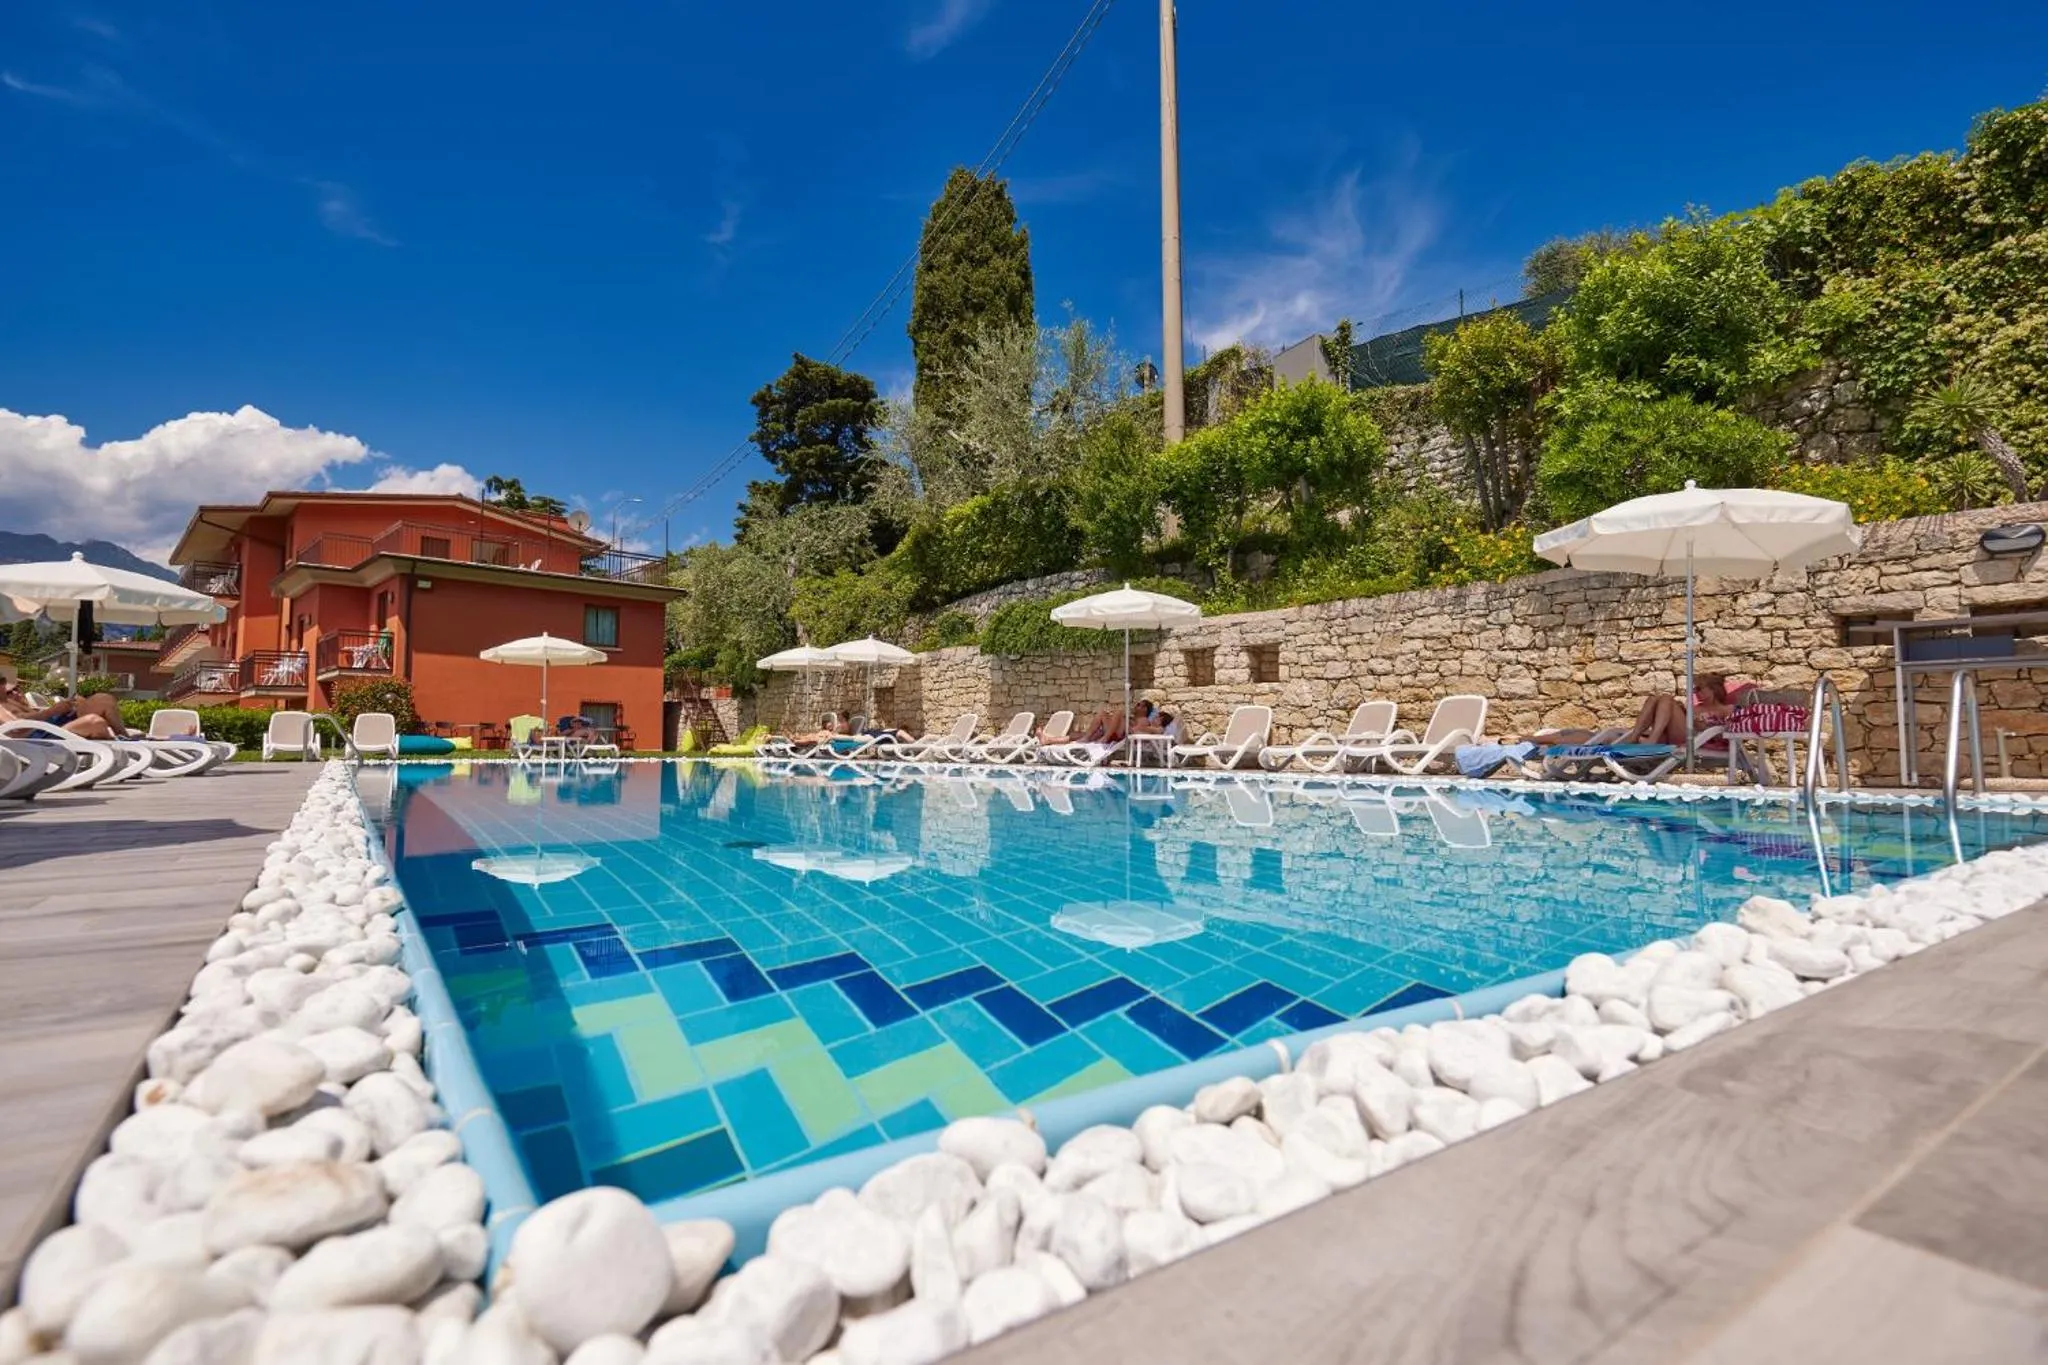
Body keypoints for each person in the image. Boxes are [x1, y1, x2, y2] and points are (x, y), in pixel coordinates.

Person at [1625, 673, 1745, 746]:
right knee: (1653, 699)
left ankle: (1651, 740)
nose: (1695, 692)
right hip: (1678, 735)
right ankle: (1634, 737)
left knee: (1666, 698)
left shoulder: (1729, 709)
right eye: (1694, 689)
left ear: (1713, 689)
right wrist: (1683, 712)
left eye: (1699, 688)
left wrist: (1702, 725)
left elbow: (1731, 732)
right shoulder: (1695, 708)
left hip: (1696, 741)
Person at [0, 686, 123, 741]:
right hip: (38, 737)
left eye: (16, 688)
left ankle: (124, 738)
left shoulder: (8, 702)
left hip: (49, 727)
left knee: (103, 699)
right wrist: (51, 711)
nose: (4, 687)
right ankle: (114, 748)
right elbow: (16, 727)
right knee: (94, 722)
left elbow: (34, 714)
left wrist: (62, 708)